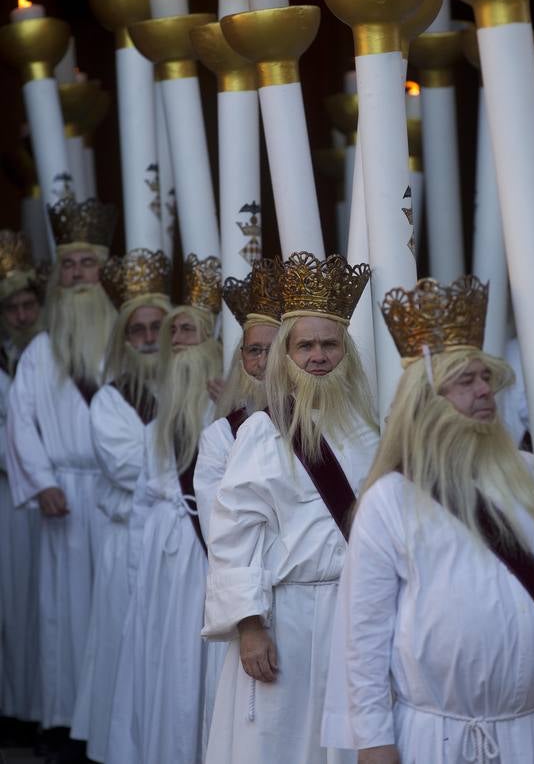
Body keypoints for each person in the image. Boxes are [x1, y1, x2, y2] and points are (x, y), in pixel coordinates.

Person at [321, 275, 534, 764]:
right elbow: (363, 638)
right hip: (438, 740)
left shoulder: (530, 476)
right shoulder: (390, 500)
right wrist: (374, 746)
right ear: (428, 398)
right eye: (465, 381)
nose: (485, 391)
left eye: (486, 378)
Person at [203, 251, 380, 764]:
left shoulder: (371, 431)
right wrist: (250, 625)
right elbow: (233, 534)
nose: (319, 356)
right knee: (279, 741)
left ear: (346, 353)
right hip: (289, 617)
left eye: (330, 345)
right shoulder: (262, 431)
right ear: (287, 354)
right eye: (306, 346)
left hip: (358, 615)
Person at [6, 197, 117, 740]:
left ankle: (116, 723)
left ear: (104, 271)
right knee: (65, 615)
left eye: (87, 264)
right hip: (66, 498)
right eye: (68, 265)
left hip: (120, 498)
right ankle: (68, 726)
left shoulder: (128, 344)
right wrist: (44, 482)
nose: (76, 275)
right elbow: (20, 424)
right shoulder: (40, 352)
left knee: (115, 610)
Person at [106, 254, 222, 764]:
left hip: (206, 551)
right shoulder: (164, 410)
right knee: (166, 658)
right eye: (174, 334)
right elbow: (143, 489)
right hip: (165, 557)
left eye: (188, 332)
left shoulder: (226, 402)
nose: (178, 342)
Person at [70, 248, 172, 763]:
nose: (151, 339)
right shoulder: (111, 398)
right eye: (139, 331)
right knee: (120, 642)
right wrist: (179, 435)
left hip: (173, 542)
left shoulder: (187, 388)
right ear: (125, 338)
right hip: (123, 539)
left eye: (159, 328)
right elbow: (128, 466)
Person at [194, 257, 282, 744]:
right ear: (242, 360)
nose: (264, 361)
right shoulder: (220, 437)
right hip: (264, 597)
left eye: (275, 348)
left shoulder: (332, 428)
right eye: (254, 351)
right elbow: (221, 528)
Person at [0, 231, 43, 736]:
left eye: (29, 304)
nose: (22, 315)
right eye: (12, 307)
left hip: (44, 495)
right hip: (8, 495)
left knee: (39, 601)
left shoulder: (53, 355)